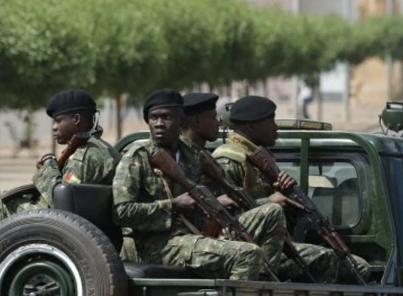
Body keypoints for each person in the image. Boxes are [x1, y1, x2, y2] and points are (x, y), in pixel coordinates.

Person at [0, 89, 119, 275]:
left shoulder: (86, 154)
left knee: (3, 204)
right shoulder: (97, 149)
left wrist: (49, 169)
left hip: (78, 232)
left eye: (59, 121)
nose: (53, 127)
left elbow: (63, 202)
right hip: (89, 230)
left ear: (77, 120)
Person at [112, 89, 286, 279]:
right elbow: (121, 212)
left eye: (166, 117)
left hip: (194, 234)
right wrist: (172, 206)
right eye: (154, 118)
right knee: (247, 254)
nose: (159, 124)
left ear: (181, 120)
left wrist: (221, 223)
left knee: (272, 211)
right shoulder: (138, 156)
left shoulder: (192, 154)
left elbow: (211, 197)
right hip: (155, 245)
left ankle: (265, 282)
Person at [212, 95, 360, 283]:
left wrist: (286, 196)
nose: (275, 127)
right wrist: (270, 202)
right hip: (240, 246)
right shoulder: (230, 160)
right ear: (250, 126)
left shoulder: (259, 159)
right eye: (270, 121)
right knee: (326, 259)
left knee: (357, 267)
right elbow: (218, 214)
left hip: (267, 243)